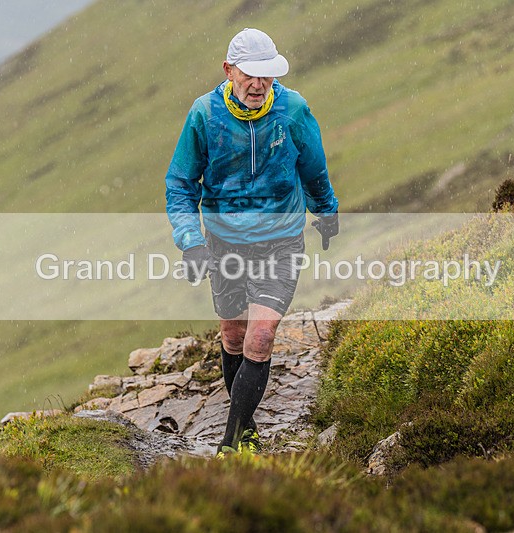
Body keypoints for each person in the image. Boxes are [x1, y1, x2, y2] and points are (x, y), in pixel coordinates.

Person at [165, 28, 339, 456]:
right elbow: (180, 183)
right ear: (229, 71)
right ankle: (246, 428)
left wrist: (327, 211)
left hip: (280, 241)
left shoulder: (293, 110)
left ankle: (230, 446)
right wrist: (190, 241)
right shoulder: (204, 115)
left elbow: (314, 169)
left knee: (260, 337)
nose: (259, 84)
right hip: (224, 243)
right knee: (233, 337)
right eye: (250, 75)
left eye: (268, 76)